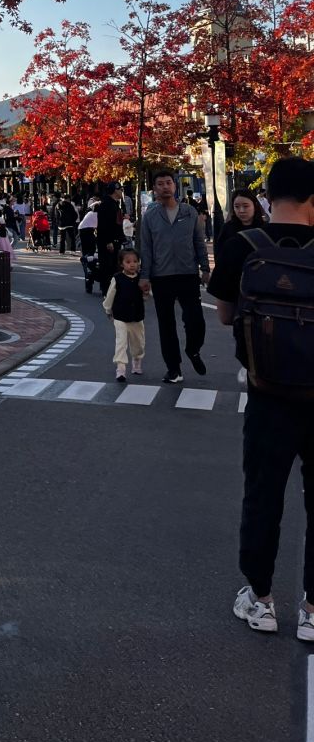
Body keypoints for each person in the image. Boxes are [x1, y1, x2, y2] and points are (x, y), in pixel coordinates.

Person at [209, 156, 314, 640]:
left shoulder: (243, 246)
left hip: (267, 394)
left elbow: (227, 317)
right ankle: (312, 610)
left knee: (263, 496)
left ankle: (262, 600)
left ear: (269, 196)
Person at [139, 168, 210, 383]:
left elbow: (199, 242)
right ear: (154, 188)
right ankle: (173, 368)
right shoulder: (149, 216)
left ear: (175, 185)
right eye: (160, 184)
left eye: (168, 182)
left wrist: (205, 268)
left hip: (188, 274)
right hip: (162, 277)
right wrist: (145, 276)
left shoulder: (189, 212)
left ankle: (193, 349)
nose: (165, 187)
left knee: (195, 320)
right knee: (166, 324)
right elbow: (146, 248)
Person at [103, 248, 148, 382]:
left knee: (138, 342)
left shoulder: (141, 279)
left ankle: (137, 360)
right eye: (128, 262)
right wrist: (108, 309)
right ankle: (121, 368)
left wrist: (146, 293)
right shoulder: (117, 278)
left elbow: (146, 296)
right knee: (121, 342)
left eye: (135, 261)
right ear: (122, 264)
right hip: (120, 316)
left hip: (137, 316)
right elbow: (110, 295)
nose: (132, 264)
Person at [215, 188, 267, 253]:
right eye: (237, 206)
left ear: (255, 205)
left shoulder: (264, 229)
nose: (241, 211)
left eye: (246, 206)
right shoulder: (227, 228)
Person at [96, 182, 125, 298]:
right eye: (120, 189)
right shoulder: (107, 204)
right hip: (108, 241)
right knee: (108, 265)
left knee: (113, 265)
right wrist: (109, 241)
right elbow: (104, 224)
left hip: (115, 239)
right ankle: (106, 290)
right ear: (114, 190)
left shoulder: (114, 203)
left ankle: (111, 289)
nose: (122, 191)